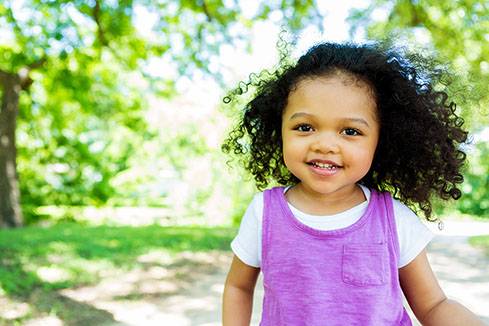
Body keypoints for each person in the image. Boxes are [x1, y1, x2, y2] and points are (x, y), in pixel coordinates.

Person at [221, 41, 484, 325]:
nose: (325, 144)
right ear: (279, 129)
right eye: (305, 127)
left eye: (350, 131)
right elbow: (238, 286)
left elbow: (434, 305)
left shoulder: (392, 219)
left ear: (380, 141)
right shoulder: (265, 213)